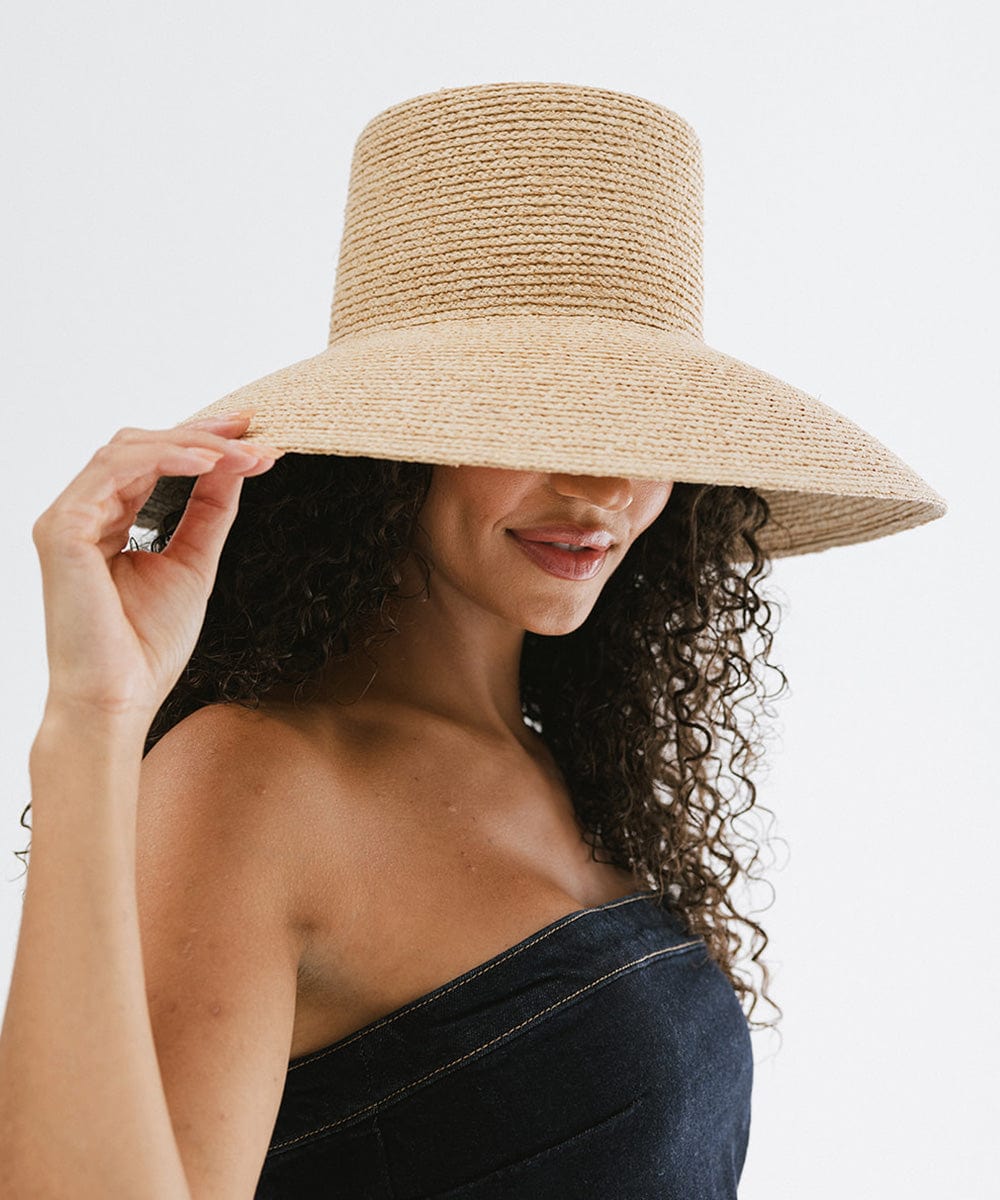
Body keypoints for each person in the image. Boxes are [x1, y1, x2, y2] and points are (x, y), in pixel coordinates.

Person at [0, 81, 947, 1199]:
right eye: (536, 417)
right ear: (398, 447)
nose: (600, 484)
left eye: (644, 426)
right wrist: (90, 727)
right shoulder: (248, 782)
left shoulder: (573, 772)